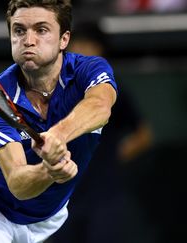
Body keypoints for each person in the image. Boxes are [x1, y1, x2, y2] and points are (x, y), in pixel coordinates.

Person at [0, 1, 118, 242]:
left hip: (48, 216)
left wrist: (58, 135)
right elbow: (18, 185)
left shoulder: (88, 69)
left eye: (41, 30)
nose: (28, 40)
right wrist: (50, 170)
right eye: (19, 30)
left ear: (64, 39)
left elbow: (101, 106)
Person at [48, 21, 154, 243]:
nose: (84, 50)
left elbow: (143, 135)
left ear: (101, 51)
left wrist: (110, 158)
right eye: (79, 44)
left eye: (90, 45)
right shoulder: (52, 92)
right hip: (63, 199)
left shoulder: (112, 90)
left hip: (105, 197)